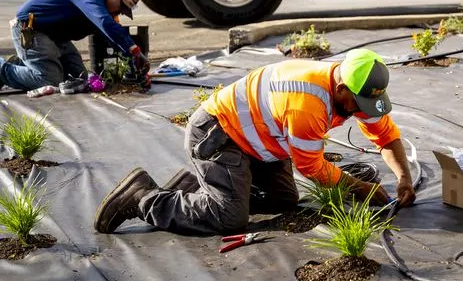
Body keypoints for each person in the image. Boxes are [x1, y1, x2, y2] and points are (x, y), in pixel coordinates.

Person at [94, 48, 416, 235]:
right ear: (342, 88)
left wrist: (403, 177)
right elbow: (312, 167)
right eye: (360, 104)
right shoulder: (307, 104)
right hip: (219, 135)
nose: (364, 112)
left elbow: (385, 135)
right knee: (230, 218)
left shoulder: (353, 91)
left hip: (262, 144)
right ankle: (142, 197)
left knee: (283, 201)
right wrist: (361, 188)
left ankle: (198, 189)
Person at [0, 0, 148, 92]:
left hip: (54, 35)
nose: (120, 13)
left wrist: (135, 68)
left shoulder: (105, 7)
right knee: (49, 80)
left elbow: (114, 37)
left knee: (80, 77)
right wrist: (134, 50)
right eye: (121, 8)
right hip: (32, 28)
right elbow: (106, 23)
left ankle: (23, 62)